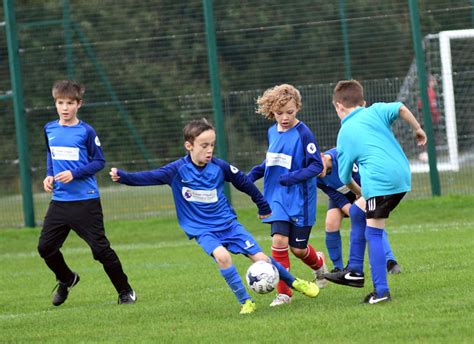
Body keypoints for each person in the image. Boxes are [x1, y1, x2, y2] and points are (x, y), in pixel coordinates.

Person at [109, 118, 319, 314]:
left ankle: (295, 282)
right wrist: (124, 177)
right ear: (189, 145)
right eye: (204, 145)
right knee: (223, 257)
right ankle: (246, 301)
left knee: (262, 259)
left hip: (228, 224)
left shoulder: (220, 167)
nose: (209, 150)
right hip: (203, 229)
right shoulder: (177, 170)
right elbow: (149, 177)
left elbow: (245, 184)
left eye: (212, 145)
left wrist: (263, 205)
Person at [324, 80, 426, 304]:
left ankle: (381, 292)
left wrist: (359, 192)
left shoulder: (345, 133)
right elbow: (401, 107)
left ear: (338, 106)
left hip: (380, 183)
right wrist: (417, 128)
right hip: (401, 175)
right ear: (363, 102)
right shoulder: (376, 110)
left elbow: (344, 178)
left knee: (374, 233)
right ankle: (354, 271)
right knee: (358, 213)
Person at [38, 80, 136, 306]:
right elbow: (50, 155)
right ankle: (67, 278)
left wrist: (75, 173)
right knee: (45, 248)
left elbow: (99, 162)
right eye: (60, 103)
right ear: (55, 104)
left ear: (78, 104)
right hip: (60, 202)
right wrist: (49, 175)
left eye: (69, 103)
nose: (64, 108)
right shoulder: (49, 128)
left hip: (86, 201)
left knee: (100, 251)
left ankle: (125, 291)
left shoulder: (86, 131)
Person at [247, 84, 328, 307]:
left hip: (301, 199)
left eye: (289, 113)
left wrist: (292, 178)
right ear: (272, 111)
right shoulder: (272, 131)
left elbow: (316, 166)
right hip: (277, 198)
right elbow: (273, 159)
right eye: (279, 113)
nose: (284, 118)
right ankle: (284, 294)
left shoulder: (304, 133)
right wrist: (254, 173)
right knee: (279, 240)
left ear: (298, 108)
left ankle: (319, 263)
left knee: (299, 249)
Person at [317, 148, 401, 278]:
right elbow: (335, 196)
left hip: (363, 189)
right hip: (342, 196)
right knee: (330, 223)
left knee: (371, 221)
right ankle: (338, 267)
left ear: (322, 156)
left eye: (316, 164)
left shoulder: (340, 156)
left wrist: (361, 197)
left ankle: (390, 261)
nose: (315, 170)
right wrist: (353, 212)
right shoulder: (317, 177)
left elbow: (360, 177)